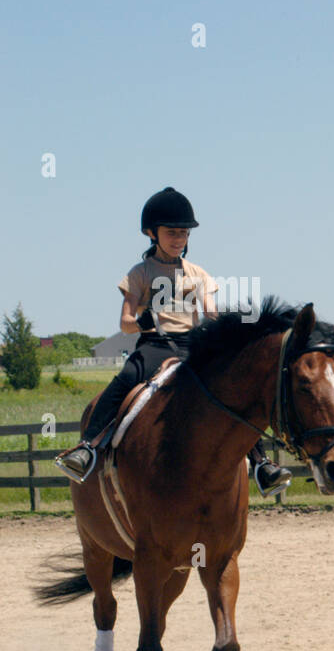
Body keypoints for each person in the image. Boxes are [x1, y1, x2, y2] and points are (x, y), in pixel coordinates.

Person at [55, 187, 292, 496]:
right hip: (155, 345)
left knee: (231, 388)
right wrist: (142, 321)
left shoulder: (197, 274)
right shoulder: (139, 273)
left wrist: (236, 330)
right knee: (127, 377)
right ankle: (87, 448)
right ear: (152, 233)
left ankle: (261, 464)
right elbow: (124, 323)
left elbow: (211, 313)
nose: (178, 238)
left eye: (183, 233)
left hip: (193, 346)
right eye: (172, 232)